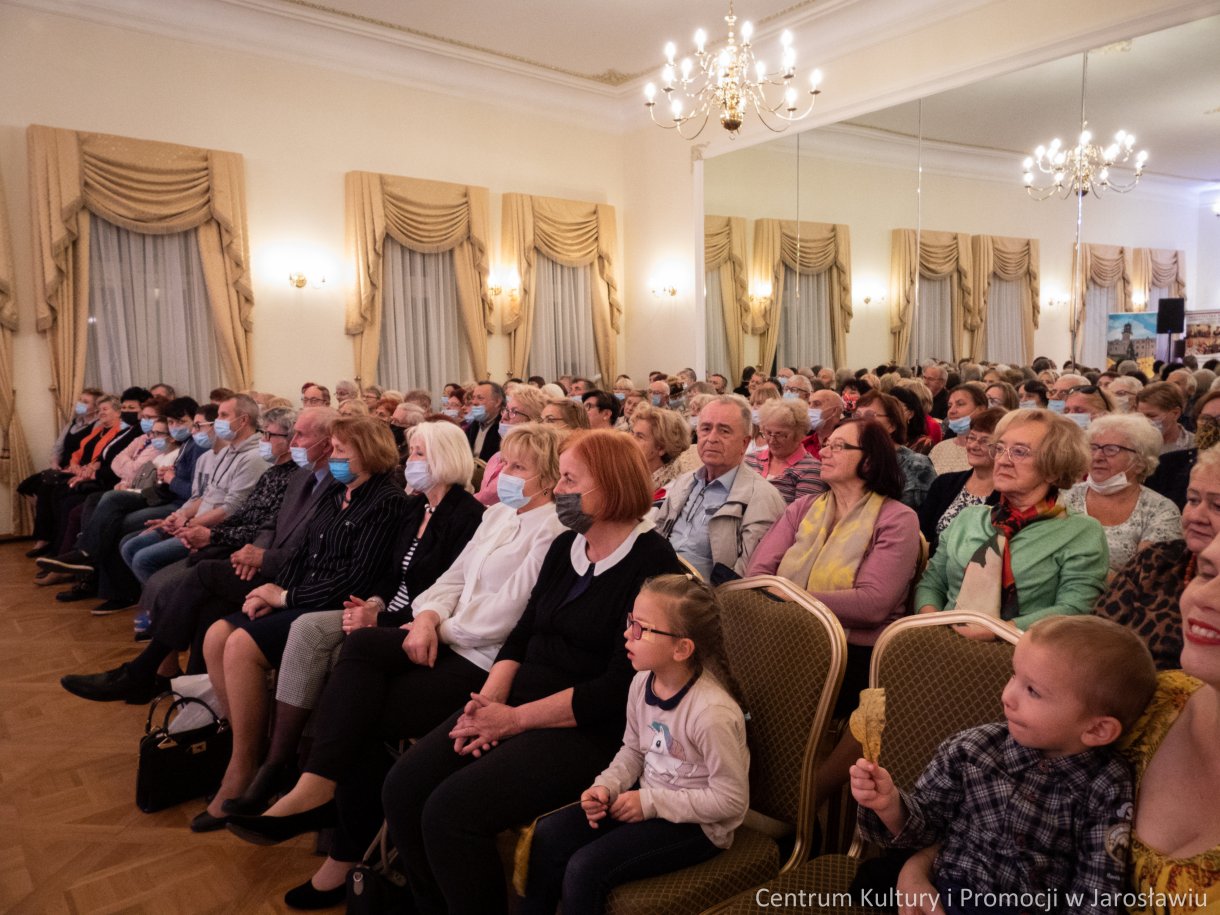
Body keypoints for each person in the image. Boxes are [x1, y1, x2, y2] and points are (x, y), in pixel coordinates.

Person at [207, 421, 493, 839]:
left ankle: (288, 769)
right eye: (411, 452)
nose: (408, 462)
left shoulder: (466, 516)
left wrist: (381, 618)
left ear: (444, 459)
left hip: (418, 624)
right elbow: (389, 576)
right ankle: (276, 766)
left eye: (417, 454)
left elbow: (445, 590)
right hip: (383, 610)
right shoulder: (416, 508)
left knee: (314, 635)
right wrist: (375, 604)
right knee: (245, 629)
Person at [852, 615, 1156, 915]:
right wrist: (889, 802)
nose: (1007, 696)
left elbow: (1096, 890)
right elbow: (927, 830)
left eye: (1033, 691)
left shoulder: (1106, 784)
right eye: (1014, 675)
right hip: (945, 897)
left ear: (1097, 730)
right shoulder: (972, 749)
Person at [59, 408, 341, 703]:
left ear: (328, 442)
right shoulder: (298, 477)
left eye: (300, 435)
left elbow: (309, 544)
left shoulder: (327, 483)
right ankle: (191, 697)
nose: (294, 440)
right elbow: (267, 521)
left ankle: (145, 672)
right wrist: (246, 548)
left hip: (287, 575)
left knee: (189, 571)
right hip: (249, 551)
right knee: (200, 602)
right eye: (291, 433)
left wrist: (256, 554)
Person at [520, 575, 749, 915]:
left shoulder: (711, 714)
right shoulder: (642, 682)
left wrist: (650, 802)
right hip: (648, 800)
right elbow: (633, 750)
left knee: (585, 868)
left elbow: (731, 801)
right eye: (630, 622)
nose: (628, 634)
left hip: (698, 826)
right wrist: (606, 786)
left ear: (682, 648)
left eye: (642, 628)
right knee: (549, 835)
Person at [748, 418, 920, 719]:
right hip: (783, 635)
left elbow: (871, 605)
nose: (824, 452)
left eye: (838, 446)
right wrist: (787, 603)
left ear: (869, 461)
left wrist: (792, 598)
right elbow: (757, 576)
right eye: (826, 445)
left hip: (850, 651)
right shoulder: (802, 508)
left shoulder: (896, 518)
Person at [915, 409, 1109, 640]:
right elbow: (932, 582)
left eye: (1019, 452)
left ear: (1054, 469)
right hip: (941, 644)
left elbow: (1075, 609)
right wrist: (933, 625)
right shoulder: (969, 518)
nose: (1003, 460)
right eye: (999, 449)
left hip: (1024, 655)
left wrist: (998, 630)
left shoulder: (1081, 531)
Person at [654, 395, 785, 581]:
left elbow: (745, 577)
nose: (711, 438)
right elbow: (657, 535)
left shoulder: (763, 498)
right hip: (658, 581)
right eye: (706, 429)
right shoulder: (684, 482)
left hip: (704, 597)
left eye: (724, 431)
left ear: (744, 443)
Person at [1062, 414, 1181, 576]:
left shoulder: (1161, 510)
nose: (1097, 457)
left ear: (1140, 462)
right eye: (1093, 447)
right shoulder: (1063, 497)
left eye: (1111, 450)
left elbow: (1145, 578)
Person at [917, 408, 1003, 555]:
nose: (974, 445)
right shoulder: (944, 483)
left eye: (984, 441)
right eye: (972, 437)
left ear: (1002, 447)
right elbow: (921, 534)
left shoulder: (1006, 496)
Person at [854, 390, 934, 510]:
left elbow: (908, 513)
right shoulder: (855, 456)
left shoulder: (916, 465)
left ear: (892, 425)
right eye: (857, 416)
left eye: (870, 416)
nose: (860, 422)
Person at [475, 385, 548, 506]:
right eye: (506, 410)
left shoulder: (532, 459)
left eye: (514, 412)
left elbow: (488, 497)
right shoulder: (496, 457)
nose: (504, 417)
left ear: (533, 421)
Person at [745, 399, 826, 504]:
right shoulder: (750, 459)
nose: (772, 440)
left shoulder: (811, 469)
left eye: (780, 434)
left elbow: (801, 515)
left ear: (799, 434)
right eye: (768, 433)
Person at [629, 403, 695, 507]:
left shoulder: (672, 491)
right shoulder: (634, 475)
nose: (630, 440)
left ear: (661, 448)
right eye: (632, 433)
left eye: (640, 437)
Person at [928, 383, 988, 474]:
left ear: (981, 410)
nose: (952, 411)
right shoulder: (939, 448)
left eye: (960, 404)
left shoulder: (988, 452)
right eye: (950, 406)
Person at [467, 381, 506, 461]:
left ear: (497, 402)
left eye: (480, 398)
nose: (474, 402)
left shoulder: (504, 428)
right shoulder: (473, 426)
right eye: (473, 398)